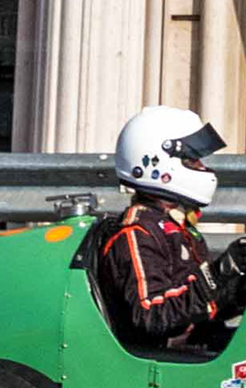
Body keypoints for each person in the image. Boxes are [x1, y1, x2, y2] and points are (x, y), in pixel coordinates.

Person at [97, 105, 233, 354]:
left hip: (193, 342)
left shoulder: (177, 226)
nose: (202, 167)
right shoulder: (137, 233)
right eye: (192, 160)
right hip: (161, 359)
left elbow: (196, 303)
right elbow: (152, 315)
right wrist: (218, 275)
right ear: (158, 164)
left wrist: (239, 281)